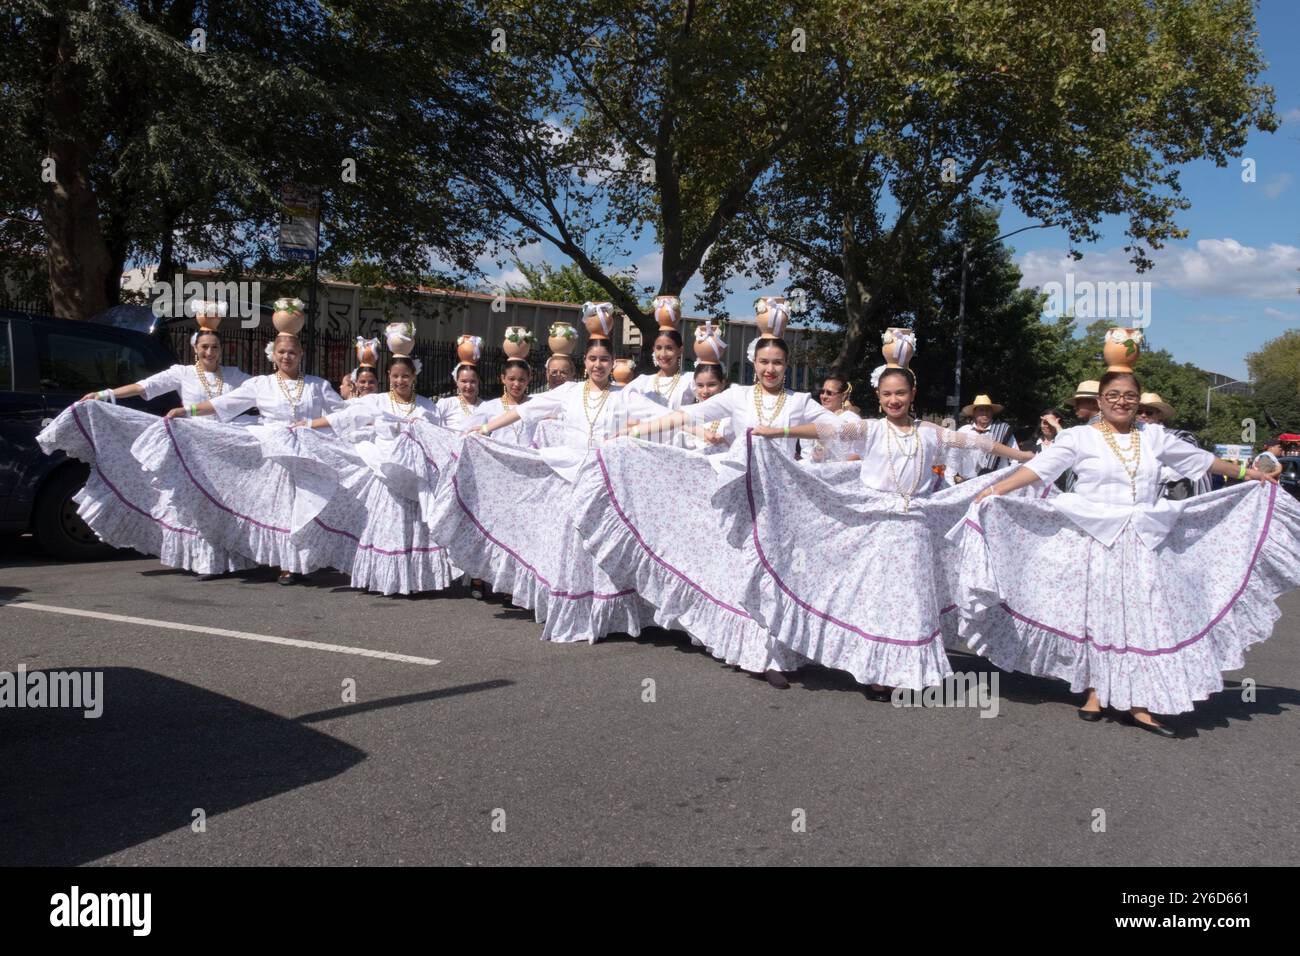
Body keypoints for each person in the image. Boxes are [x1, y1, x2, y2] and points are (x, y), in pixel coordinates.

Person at [956, 369, 1295, 737]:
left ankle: (1140, 701)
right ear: (1101, 401)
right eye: (1114, 395)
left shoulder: (1153, 437)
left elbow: (1200, 462)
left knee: (1143, 618)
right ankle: (1095, 690)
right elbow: (1040, 470)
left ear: (1138, 402)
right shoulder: (1079, 437)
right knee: (1097, 616)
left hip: (1143, 542)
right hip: (1095, 541)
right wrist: (996, 491)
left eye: (1129, 396)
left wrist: (1247, 472)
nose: (1121, 401)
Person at [748, 365, 1031, 699]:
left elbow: (976, 443)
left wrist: (1021, 456)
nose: (893, 400)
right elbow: (823, 429)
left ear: (913, 395)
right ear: (878, 398)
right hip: (876, 526)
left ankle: (904, 672)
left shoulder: (930, 431)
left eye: (900, 393)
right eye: (887, 394)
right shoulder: (868, 429)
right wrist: (775, 431)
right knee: (876, 601)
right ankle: (875, 672)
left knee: (909, 602)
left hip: (915, 528)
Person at [609, 335, 843, 687]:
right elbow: (688, 414)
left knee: (776, 573)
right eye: (764, 362)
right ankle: (755, 654)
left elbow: (839, 427)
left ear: (786, 365)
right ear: (754, 364)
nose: (770, 369)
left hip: (781, 498)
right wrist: (641, 429)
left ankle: (778, 651)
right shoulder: (738, 396)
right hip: (740, 495)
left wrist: (784, 430)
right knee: (747, 571)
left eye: (777, 362)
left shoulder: (799, 402)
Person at [53, 315, 253, 578]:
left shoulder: (233, 375)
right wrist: (104, 394)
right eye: (204, 347)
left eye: (214, 347)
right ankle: (207, 561)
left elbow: (260, 390)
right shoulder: (182, 373)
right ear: (195, 349)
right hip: (191, 446)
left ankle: (234, 557)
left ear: (221, 350)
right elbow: (143, 386)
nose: (210, 352)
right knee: (197, 502)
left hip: (223, 447)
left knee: (224, 502)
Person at [150, 330, 346, 585]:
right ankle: (286, 564)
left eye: (292, 352)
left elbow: (341, 414)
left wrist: (362, 414)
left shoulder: (317, 385)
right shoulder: (260, 384)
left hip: (308, 453)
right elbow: (225, 403)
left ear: (301, 355)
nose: (287, 357)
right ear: (273, 355)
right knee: (281, 510)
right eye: (282, 352)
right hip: (273, 455)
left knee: (305, 507)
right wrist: (188, 410)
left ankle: (303, 561)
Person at [1137, 392, 1211, 497]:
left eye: (1149, 412)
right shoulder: (1126, 436)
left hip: (1166, 499)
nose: (1143, 415)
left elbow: (1197, 465)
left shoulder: (1181, 436)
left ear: (1159, 415)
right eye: (1139, 411)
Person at [622, 328, 696, 411]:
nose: (663, 354)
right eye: (659, 348)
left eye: (669, 348)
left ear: (680, 350)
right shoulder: (643, 382)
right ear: (654, 350)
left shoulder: (690, 379)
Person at [950, 394, 1018, 480]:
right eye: (981, 410)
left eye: (988, 410)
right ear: (974, 413)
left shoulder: (1003, 431)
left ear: (992, 412)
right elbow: (953, 457)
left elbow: (1015, 457)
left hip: (997, 481)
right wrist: (952, 479)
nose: (985, 413)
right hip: (968, 483)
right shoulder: (963, 431)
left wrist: (1009, 478)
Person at [476, 358, 535, 447]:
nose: (516, 384)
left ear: (528, 379)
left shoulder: (535, 404)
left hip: (528, 457)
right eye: (512, 379)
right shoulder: (490, 406)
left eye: (521, 380)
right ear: (503, 378)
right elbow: (475, 434)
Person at [807, 375, 862, 463]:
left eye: (829, 393)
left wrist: (836, 468)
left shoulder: (851, 419)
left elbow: (859, 452)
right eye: (822, 392)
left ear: (843, 396)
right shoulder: (815, 418)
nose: (824, 396)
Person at [436, 362, 486, 431]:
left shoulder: (486, 406)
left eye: (473, 381)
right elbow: (432, 427)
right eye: (464, 381)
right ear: (457, 382)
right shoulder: (447, 404)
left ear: (478, 382)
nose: (468, 386)